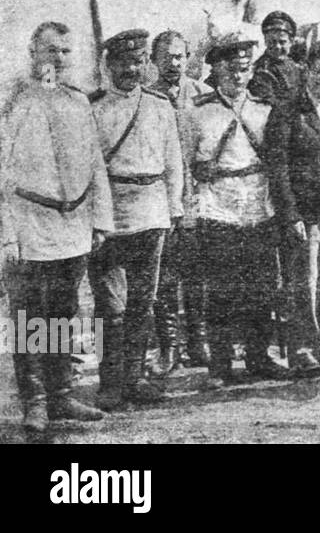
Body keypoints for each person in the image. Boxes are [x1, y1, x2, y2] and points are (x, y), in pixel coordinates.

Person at [1, 21, 112, 433]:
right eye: (51, 51)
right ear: (33, 52)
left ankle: (62, 395)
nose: (58, 59)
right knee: (30, 315)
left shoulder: (79, 102)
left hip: (74, 223)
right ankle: (35, 401)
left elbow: (95, 163)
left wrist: (100, 220)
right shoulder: (14, 100)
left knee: (65, 312)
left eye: (66, 52)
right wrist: (6, 232)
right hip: (28, 223)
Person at [187, 33, 290, 386]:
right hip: (218, 207)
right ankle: (220, 365)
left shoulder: (264, 108)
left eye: (244, 68)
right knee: (221, 291)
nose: (238, 75)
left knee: (263, 287)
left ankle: (259, 358)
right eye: (231, 68)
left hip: (259, 206)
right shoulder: (198, 112)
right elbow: (187, 164)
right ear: (216, 68)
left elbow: (277, 160)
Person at [89, 29, 184, 410]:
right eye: (124, 62)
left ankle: (135, 378)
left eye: (138, 61)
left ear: (147, 64)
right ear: (110, 65)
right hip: (109, 215)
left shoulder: (160, 106)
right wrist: (95, 219)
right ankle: (109, 384)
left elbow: (174, 162)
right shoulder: (93, 108)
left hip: (152, 212)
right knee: (110, 307)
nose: (132, 69)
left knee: (143, 303)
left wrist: (175, 210)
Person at [264, 39, 320, 378]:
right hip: (306, 215)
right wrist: (291, 216)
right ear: (307, 70)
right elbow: (278, 168)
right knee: (303, 283)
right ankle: (302, 350)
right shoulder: (287, 110)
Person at [148, 30, 210, 372]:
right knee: (166, 276)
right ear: (155, 60)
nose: (174, 62)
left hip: (199, 198)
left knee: (198, 273)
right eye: (167, 56)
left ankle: (199, 343)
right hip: (161, 202)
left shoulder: (203, 95)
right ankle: (169, 347)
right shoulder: (146, 98)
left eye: (179, 56)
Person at [249, 10, 304, 104]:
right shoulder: (261, 70)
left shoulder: (296, 66)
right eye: (272, 42)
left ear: (291, 42)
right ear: (265, 41)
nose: (277, 47)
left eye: (282, 42)